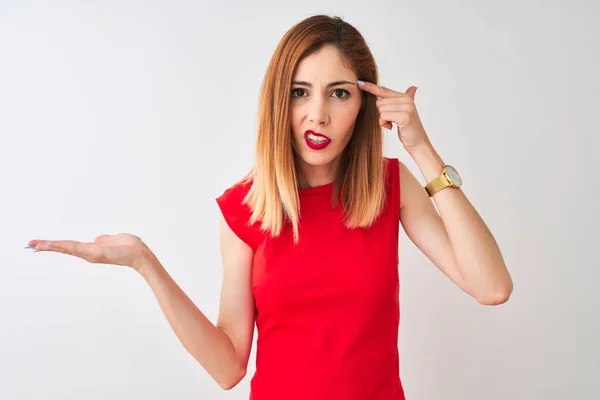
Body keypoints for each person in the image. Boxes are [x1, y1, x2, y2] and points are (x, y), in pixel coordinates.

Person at [25, 14, 513, 400]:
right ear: (279, 100)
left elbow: (491, 287)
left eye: (339, 93)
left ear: (364, 105)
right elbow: (228, 366)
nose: (317, 113)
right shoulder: (245, 208)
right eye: (300, 92)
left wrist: (422, 149)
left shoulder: (389, 186)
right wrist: (144, 264)